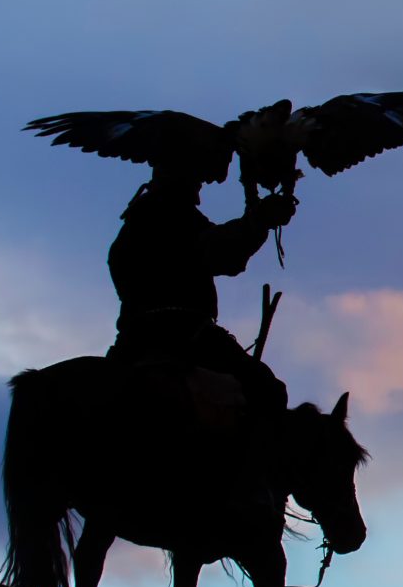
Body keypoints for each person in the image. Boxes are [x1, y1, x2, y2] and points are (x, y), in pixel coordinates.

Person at [102, 164, 296, 411]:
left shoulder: (138, 219)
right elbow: (222, 253)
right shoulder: (171, 213)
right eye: (196, 178)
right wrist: (258, 220)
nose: (201, 184)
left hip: (134, 336)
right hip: (183, 333)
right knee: (267, 390)